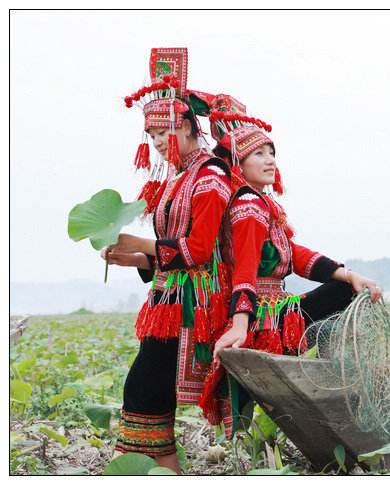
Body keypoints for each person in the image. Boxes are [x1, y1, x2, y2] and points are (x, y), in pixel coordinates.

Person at [101, 48, 234, 474]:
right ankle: (164, 468)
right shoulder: (177, 180)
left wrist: (140, 242)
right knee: (150, 394)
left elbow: (197, 249)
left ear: (191, 128)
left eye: (166, 132)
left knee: (143, 388)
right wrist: (133, 258)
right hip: (165, 302)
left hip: (192, 305)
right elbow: (166, 252)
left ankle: (143, 467)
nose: (158, 142)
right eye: (152, 135)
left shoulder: (210, 177)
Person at [205, 95, 382, 359]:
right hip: (264, 317)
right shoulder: (249, 205)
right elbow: (245, 265)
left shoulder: (260, 203)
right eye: (259, 154)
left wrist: (347, 274)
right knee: (344, 292)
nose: (270, 161)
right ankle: (330, 365)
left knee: (345, 285)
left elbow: (293, 254)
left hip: (275, 308)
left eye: (272, 153)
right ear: (238, 164)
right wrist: (240, 324)